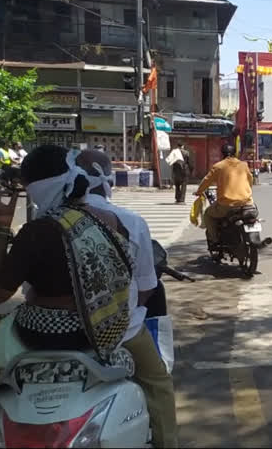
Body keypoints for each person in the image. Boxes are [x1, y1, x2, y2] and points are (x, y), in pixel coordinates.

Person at [0, 146, 132, 422]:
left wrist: (1, 225)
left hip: (54, 332)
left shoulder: (40, 231)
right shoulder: (106, 219)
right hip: (110, 327)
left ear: (35, 188)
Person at [76, 150, 178, 447]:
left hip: (50, 332)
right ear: (108, 179)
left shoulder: (48, 220)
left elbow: (21, 291)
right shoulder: (129, 221)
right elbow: (147, 285)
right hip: (121, 331)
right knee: (158, 384)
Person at [194, 143, 256, 249]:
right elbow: (250, 181)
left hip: (227, 205)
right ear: (235, 153)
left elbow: (206, 181)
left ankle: (215, 240)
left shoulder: (218, 166)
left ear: (222, 154)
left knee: (208, 214)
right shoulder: (243, 165)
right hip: (247, 203)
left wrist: (199, 191)